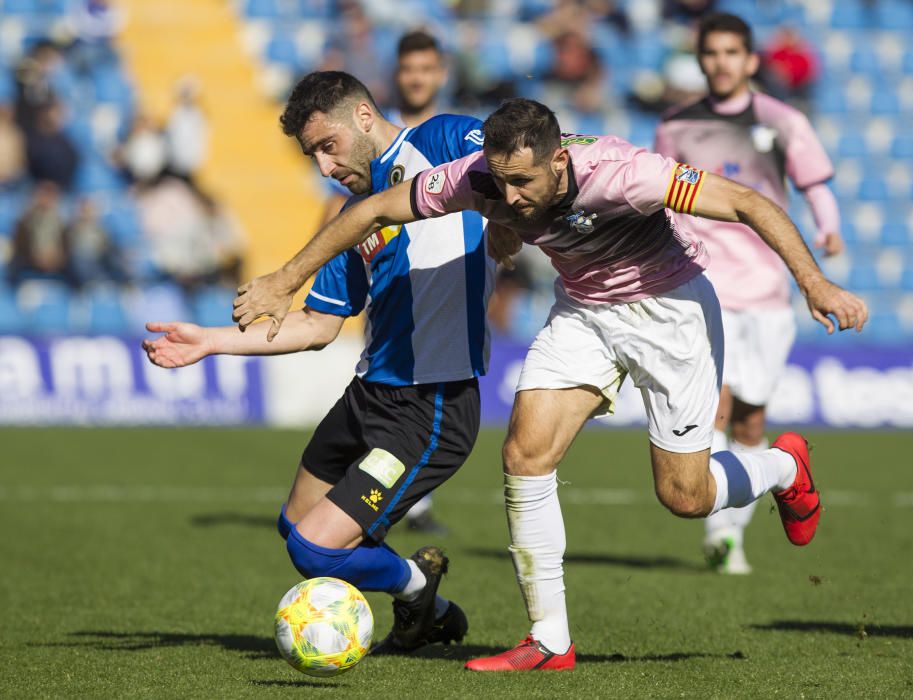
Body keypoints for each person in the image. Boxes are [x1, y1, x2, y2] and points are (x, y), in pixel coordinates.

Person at [231, 97, 867, 671]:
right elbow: (371, 209)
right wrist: (285, 280)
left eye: (522, 182)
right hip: (585, 313)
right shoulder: (478, 178)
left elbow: (750, 203)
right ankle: (550, 640)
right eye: (499, 182)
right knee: (523, 453)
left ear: (559, 160)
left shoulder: (624, 174)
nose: (507, 199)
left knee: (685, 496)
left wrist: (816, 283)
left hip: (670, 311)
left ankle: (783, 467)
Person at [144, 71, 497, 654]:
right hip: (368, 397)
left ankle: (417, 583)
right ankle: (424, 604)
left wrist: (513, 227)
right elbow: (316, 326)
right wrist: (210, 341)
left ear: (363, 118)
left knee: (315, 551)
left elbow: (522, 165)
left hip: (429, 407)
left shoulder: (442, 141)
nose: (324, 167)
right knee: (294, 526)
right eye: (312, 155)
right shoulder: (350, 217)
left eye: (327, 147)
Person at [654, 13, 844, 575]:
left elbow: (814, 182)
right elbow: (661, 196)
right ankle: (721, 534)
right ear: (702, 59)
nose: (721, 63)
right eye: (711, 53)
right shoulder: (676, 126)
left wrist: (828, 227)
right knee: (719, 403)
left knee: (752, 419)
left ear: (751, 60)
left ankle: (731, 531)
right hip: (704, 283)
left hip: (767, 291)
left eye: (732, 52)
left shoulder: (781, 120)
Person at [320, 33, 452, 535]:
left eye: (426, 68)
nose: (416, 77)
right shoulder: (365, 154)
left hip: (443, 304)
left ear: (440, 74)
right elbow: (349, 218)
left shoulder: (448, 137)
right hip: (387, 310)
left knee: (428, 392)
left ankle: (403, 506)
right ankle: (394, 506)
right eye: (408, 68)